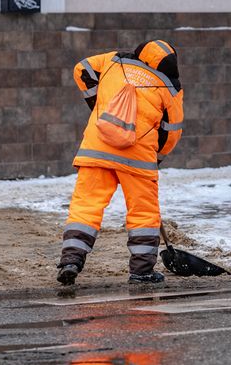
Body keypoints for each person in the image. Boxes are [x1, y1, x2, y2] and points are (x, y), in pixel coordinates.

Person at [57, 40, 184, 285]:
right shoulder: (170, 87)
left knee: (86, 207)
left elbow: (82, 69)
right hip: (138, 159)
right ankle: (141, 272)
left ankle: (71, 260)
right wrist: (157, 157)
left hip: (97, 150)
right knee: (144, 214)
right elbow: (172, 130)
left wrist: (98, 105)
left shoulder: (115, 61)